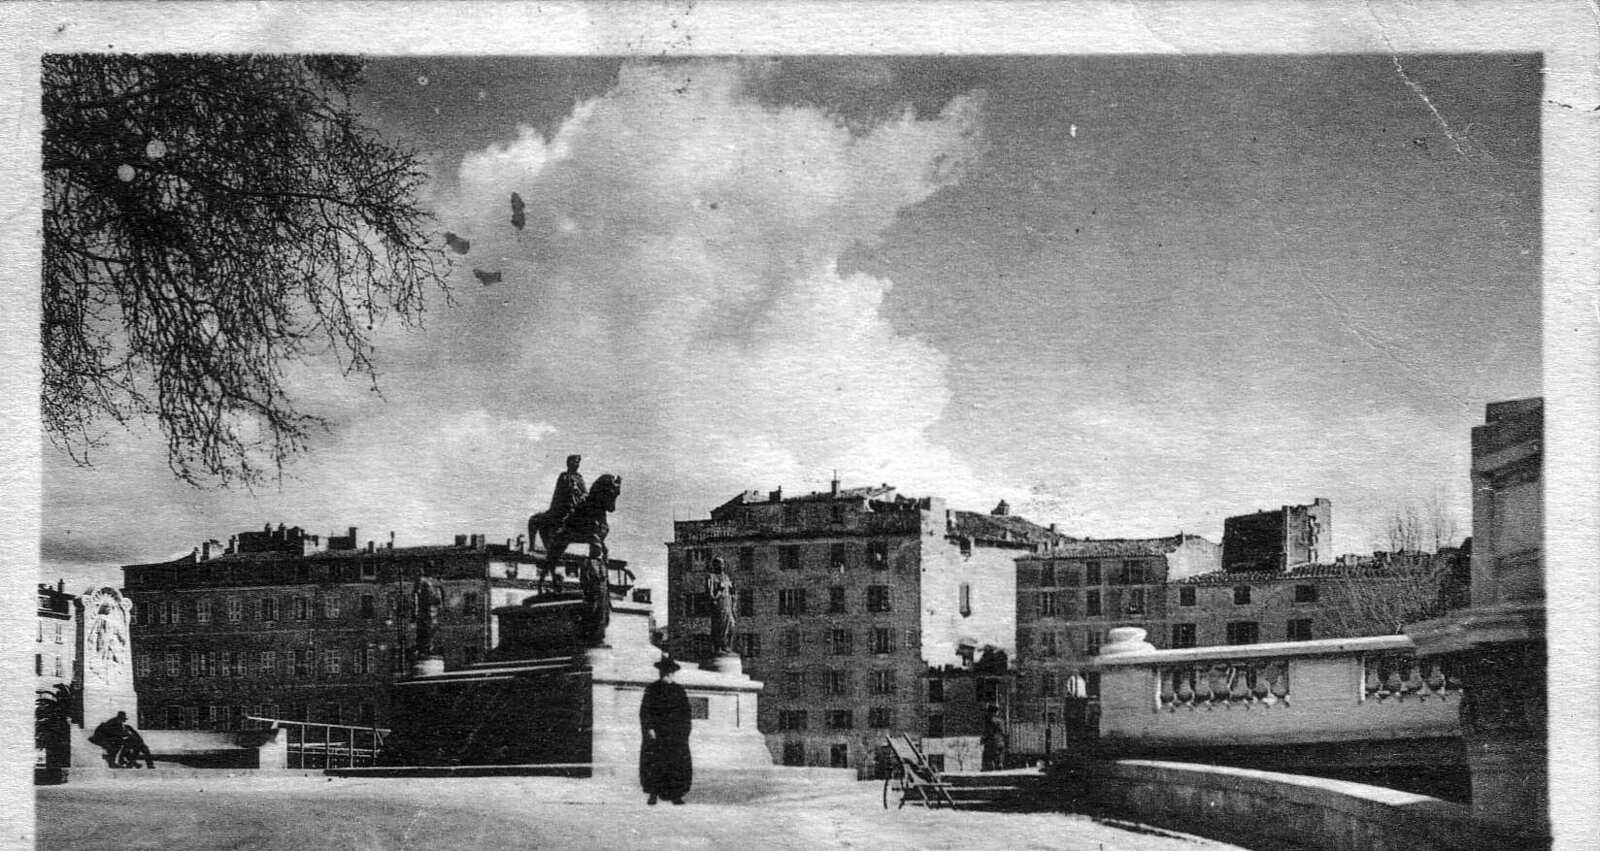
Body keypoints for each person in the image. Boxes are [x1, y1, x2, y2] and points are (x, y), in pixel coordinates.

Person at [639, 656, 693, 806]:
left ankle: (676, 795)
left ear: (672, 673)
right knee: (655, 763)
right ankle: (653, 794)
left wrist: (684, 732)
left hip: (675, 735)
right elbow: (645, 711)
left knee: (676, 765)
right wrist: (649, 728)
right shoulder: (652, 689)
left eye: (668, 672)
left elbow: (686, 713)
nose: (666, 674)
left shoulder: (679, 690)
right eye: (663, 672)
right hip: (658, 734)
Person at [705, 557, 736, 656]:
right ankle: (719, 647)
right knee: (720, 626)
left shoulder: (726, 577)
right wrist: (719, 591)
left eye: (723, 563)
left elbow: (731, 591)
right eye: (719, 564)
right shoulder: (711, 577)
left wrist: (733, 595)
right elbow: (710, 595)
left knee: (731, 626)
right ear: (714, 565)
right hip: (719, 605)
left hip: (728, 605)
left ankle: (726, 646)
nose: (722, 566)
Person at [414, 563, 444, 657]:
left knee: (434, 628)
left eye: (432, 568)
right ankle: (424, 648)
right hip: (425, 608)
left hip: (435, 608)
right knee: (426, 629)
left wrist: (441, 606)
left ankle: (430, 647)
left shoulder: (436, 581)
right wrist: (415, 609)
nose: (431, 570)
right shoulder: (421, 580)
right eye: (429, 567)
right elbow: (416, 594)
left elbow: (442, 594)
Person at [981, 704, 1009, 771]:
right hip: (1000, 742)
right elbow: (1003, 732)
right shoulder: (1001, 721)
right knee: (999, 761)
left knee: (988, 760)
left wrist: (983, 739)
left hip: (991, 743)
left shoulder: (990, 721)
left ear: (990, 712)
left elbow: (988, 732)